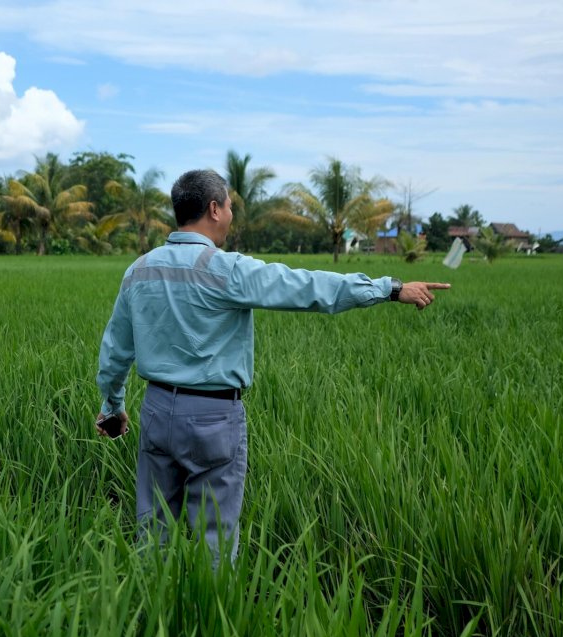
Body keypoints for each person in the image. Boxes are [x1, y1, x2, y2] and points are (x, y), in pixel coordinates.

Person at [95, 169, 450, 563]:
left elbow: (115, 352)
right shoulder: (226, 269)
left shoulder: (138, 271)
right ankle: (211, 619)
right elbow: (307, 287)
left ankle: (152, 617)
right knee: (213, 542)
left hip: (157, 411)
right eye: (229, 206)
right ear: (214, 209)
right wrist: (390, 288)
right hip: (213, 417)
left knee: (153, 534)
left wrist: (113, 407)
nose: (231, 214)